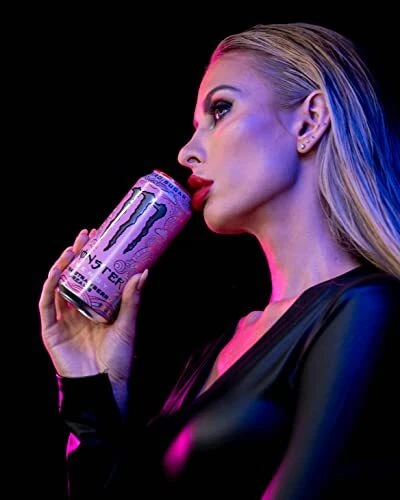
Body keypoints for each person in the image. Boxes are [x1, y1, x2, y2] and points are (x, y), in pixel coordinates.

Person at [39, 22, 400, 499]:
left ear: (310, 121)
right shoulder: (219, 346)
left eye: (220, 109)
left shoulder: (368, 309)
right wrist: (91, 389)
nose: (187, 152)